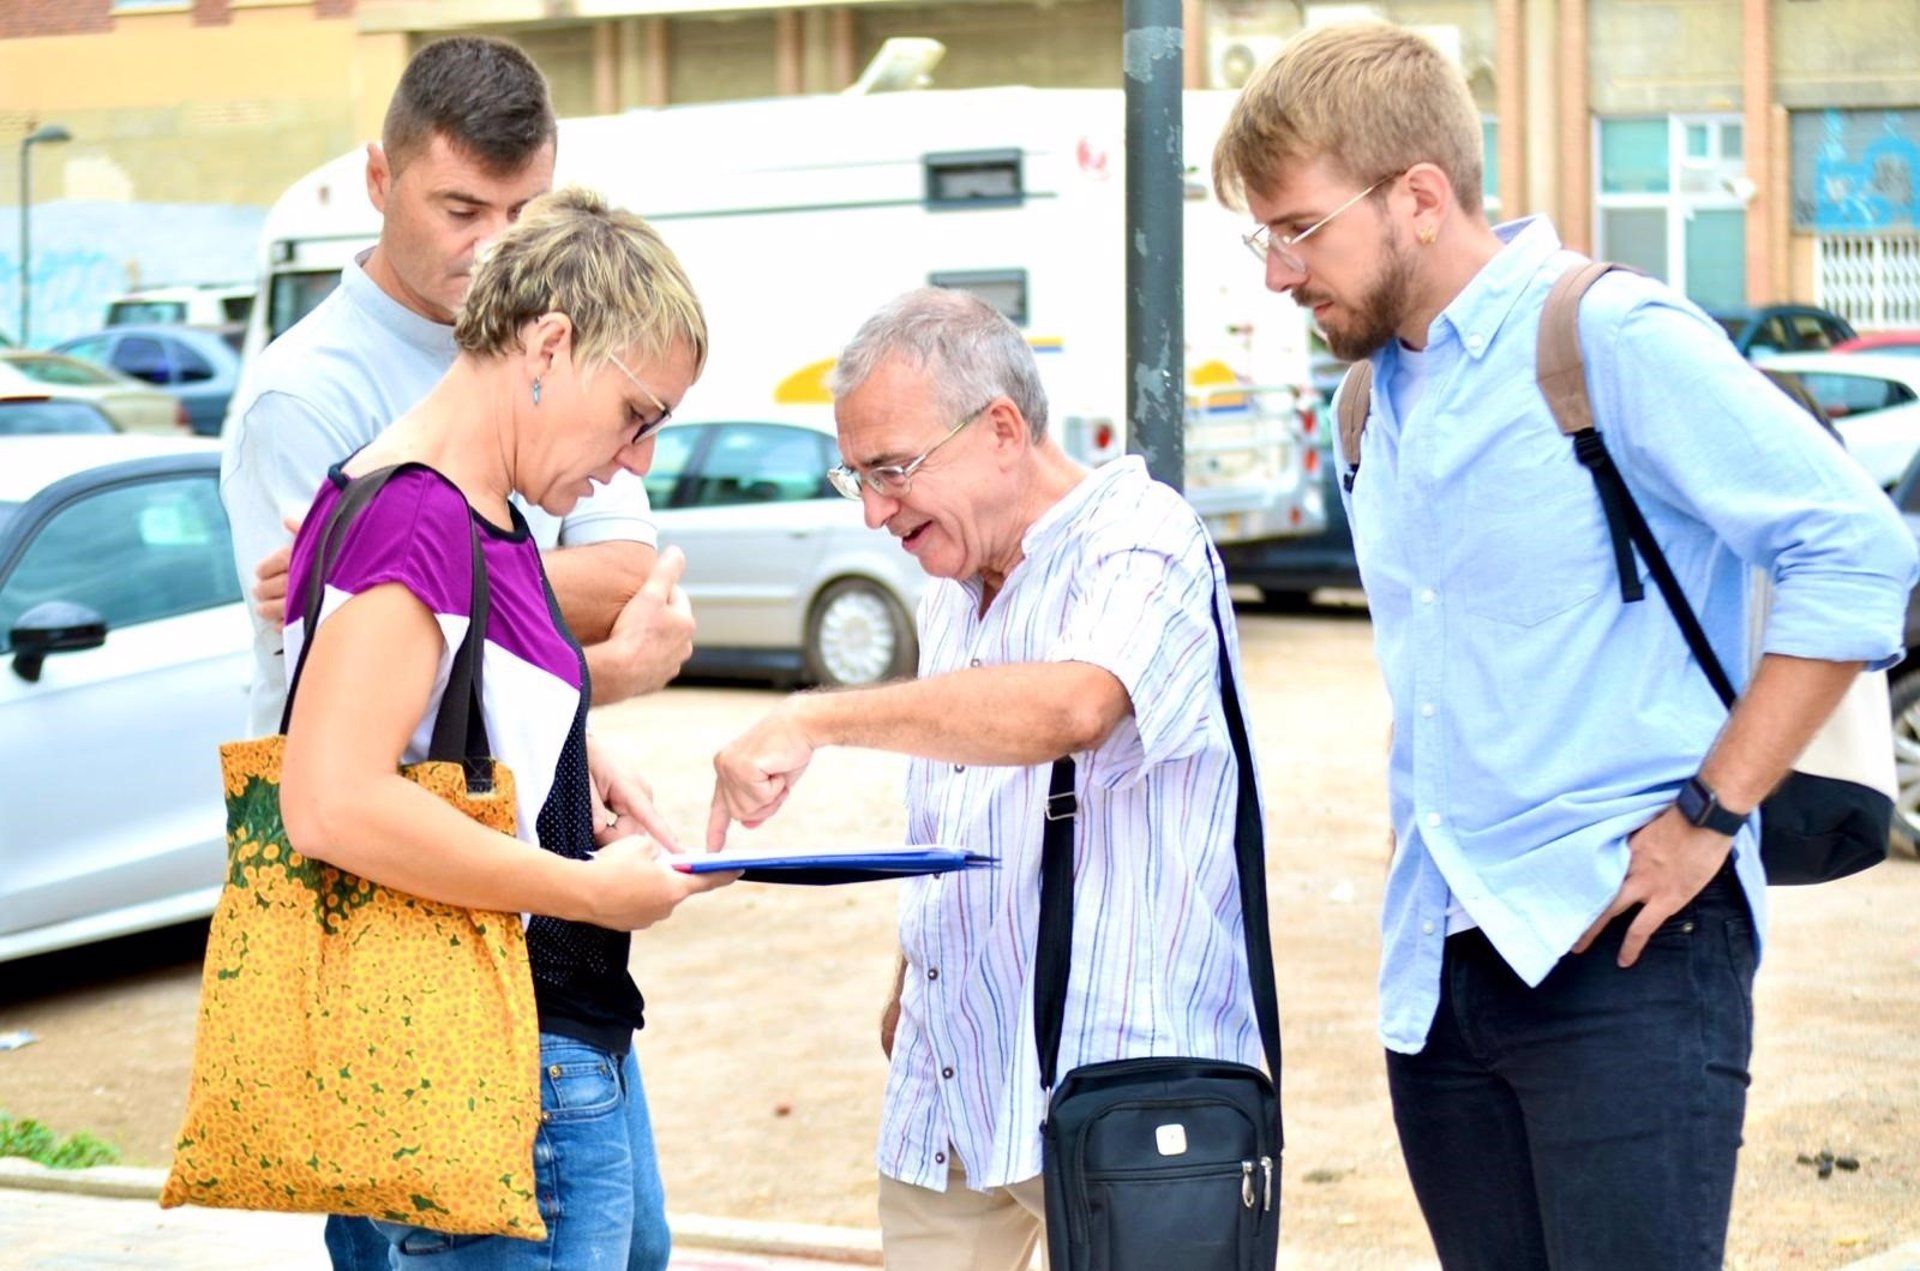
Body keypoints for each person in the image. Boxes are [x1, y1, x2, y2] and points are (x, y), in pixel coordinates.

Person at [1213, 23, 1918, 1269]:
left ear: (1419, 198)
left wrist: (1710, 811)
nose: (1276, 272)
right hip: (1439, 976)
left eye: (1296, 229)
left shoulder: (1606, 338)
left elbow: (1858, 549)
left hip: (1631, 955)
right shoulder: (1367, 403)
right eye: (1261, 236)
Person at [708, 288, 1270, 1271]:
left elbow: (1070, 709)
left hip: (1124, 1091)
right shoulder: (950, 590)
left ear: (1002, 428)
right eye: (859, 477)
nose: (877, 510)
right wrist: (908, 982)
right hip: (953, 1083)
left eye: (892, 469)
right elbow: (968, 798)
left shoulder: (1143, 536)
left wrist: (816, 715)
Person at [278, 186, 732, 1271]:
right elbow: (331, 798)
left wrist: (573, 759)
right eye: (639, 414)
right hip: (500, 1040)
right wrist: (586, 886)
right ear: (550, 341)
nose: (639, 460)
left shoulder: (473, 510)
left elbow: (432, 732)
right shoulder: (422, 516)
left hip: (543, 1029)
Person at [222, 35, 692, 748]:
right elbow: (352, 679)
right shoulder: (301, 391)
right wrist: (598, 668)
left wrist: (387, 571)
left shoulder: (564, 341)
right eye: (462, 210)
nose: (495, 247)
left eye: (522, 213)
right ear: (380, 179)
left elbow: (628, 578)